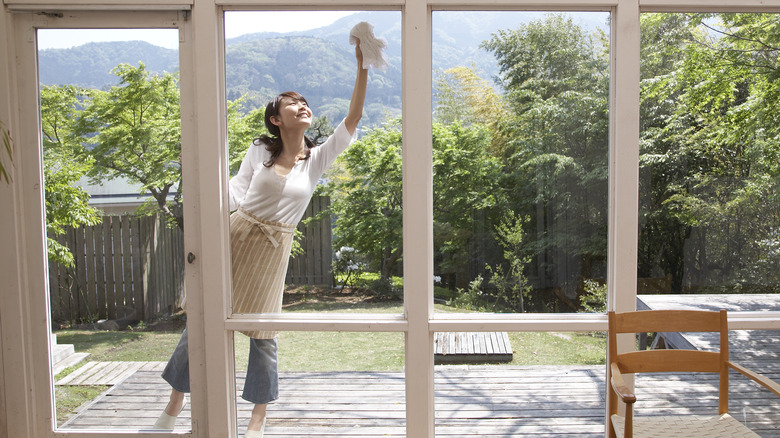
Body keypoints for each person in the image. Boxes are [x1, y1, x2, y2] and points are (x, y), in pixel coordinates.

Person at [154, 38, 368, 438]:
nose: (302, 105)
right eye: (292, 103)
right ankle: (171, 414)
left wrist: (363, 65)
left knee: (264, 335)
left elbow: (352, 118)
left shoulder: (317, 159)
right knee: (199, 325)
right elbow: (234, 192)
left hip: (274, 252)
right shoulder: (259, 150)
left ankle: (256, 423)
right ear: (276, 119)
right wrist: (200, 200)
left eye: (304, 101)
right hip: (237, 237)